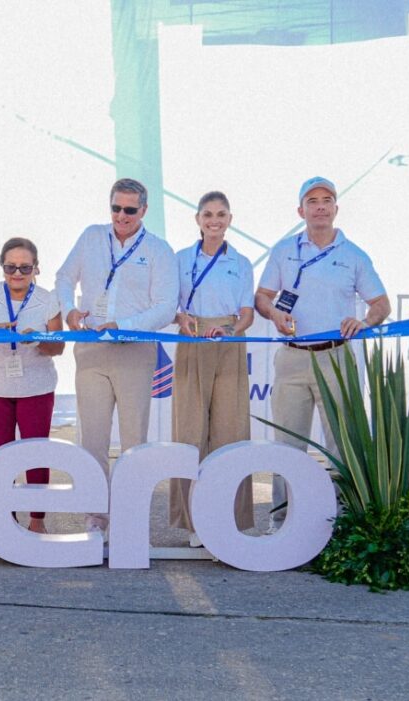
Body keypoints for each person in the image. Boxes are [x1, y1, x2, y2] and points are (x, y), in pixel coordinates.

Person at [255, 177, 390, 533]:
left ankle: (346, 522)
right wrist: (274, 313)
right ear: (301, 210)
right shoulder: (283, 250)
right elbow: (263, 296)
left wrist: (363, 320)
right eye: (312, 200)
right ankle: (281, 522)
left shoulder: (354, 255)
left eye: (327, 200)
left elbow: (381, 304)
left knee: (343, 444)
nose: (320, 206)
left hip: (337, 359)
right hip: (292, 358)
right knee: (287, 444)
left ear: (335, 208)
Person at [55, 178, 178, 534]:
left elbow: (166, 306)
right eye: (115, 208)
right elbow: (64, 277)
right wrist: (69, 310)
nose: (121, 216)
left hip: (134, 352)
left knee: (133, 440)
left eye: (129, 209)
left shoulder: (158, 249)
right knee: (91, 437)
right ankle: (95, 515)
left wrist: (121, 325)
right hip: (92, 351)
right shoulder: (91, 237)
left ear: (144, 210)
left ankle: (131, 515)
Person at [169, 192, 255, 546]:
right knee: (190, 433)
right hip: (192, 339)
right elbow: (170, 304)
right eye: (208, 214)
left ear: (230, 219)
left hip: (228, 343)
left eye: (220, 214)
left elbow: (247, 312)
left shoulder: (242, 262)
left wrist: (232, 329)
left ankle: (229, 518)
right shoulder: (180, 259)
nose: (214, 220)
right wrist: (182, 318)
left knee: (230, 433)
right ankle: (193, 524)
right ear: (198, 219)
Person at [0, 238, 64, 534]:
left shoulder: (48, 299)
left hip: (36, 385)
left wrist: (39, 341)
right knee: (0, 456)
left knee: (36, 454)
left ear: (36, 268)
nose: (17, 273)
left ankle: (37, 520)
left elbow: (57, 348)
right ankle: (5, 521)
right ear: (2, 267)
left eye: (24, 267)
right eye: (10, 267)